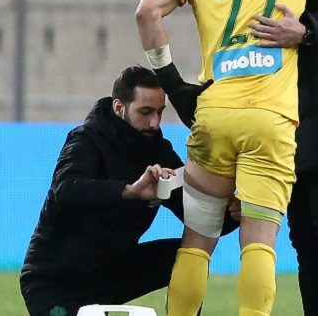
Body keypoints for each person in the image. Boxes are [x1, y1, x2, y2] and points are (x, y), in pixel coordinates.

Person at [136, 0, 318, 316]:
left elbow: (146, 11)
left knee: (197, 241)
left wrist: (172, 83)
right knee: (259, 243)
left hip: (215, 111)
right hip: (270, 118)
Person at [20, 65, 237, 316]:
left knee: (189, 255)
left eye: (159, 112)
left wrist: (235, 213)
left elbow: (197, 216)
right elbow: (66, 190)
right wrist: (129, 191)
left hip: (112, 272)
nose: (155, 123)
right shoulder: (86, 139)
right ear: (118, 107)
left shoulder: (158, 151)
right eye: (145, 112)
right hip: (55, 281)